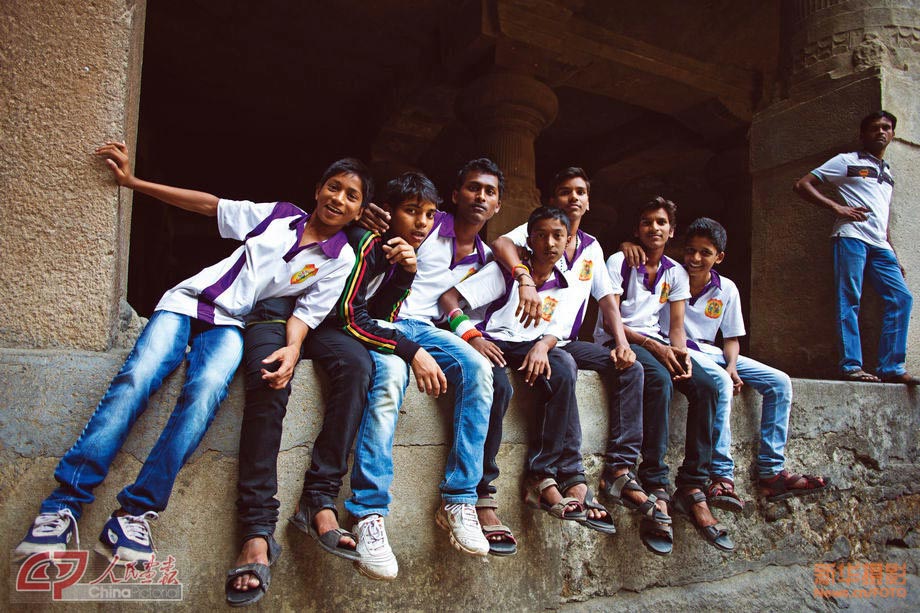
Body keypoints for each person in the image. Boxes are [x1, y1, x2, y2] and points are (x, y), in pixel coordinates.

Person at [14, 144, 364, 594]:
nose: (339, 198)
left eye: (351, 195)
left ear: (357, 211)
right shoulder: (280, 215)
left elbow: (304, 316)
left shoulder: (341, 260)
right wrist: (134, 184)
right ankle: (62, 507)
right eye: (333, 187)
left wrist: (293, 350)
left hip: (232, 327)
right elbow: (208, 205)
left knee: (205, 394)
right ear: (317, 190)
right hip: (187, 305)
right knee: (137, 378)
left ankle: (135, 514)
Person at [229, 172, 442, 602]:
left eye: (430, 216)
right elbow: (348, 317)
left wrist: (406, 272)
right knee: (276, 381)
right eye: (411, 212)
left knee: (357, 367)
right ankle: (258, 527)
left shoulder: (392, 250)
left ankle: (318, 499)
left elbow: (378, 310)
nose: (421, 224)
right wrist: (410, 350)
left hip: (325, 324)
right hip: (294, 317)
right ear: (384, 212)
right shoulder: (362, 241)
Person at [344, 158, 503, 580]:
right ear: (456, 195)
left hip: (422, 326)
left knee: (479, 370)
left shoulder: (486, 257)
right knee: (390, 381)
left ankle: (460, 499)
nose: (422, 221)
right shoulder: (428, 222)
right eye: (473, 189)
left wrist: (519, 275)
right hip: (386, 323)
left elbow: (512, 246)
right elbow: (379, 217)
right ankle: (368, 513)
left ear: (498, 205)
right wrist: (364, 210)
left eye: (490, 193)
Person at [483, 168, 655, 556]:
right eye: (564, 192)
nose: (573, 198)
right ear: (552, 200)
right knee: (564, 368)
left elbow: (608, 302)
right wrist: (524, 276)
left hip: (566, 338)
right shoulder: (537, 237)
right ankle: (570, 475)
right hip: (530, 337)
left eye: (580, 192)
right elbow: (499, 243)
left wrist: (623, 343)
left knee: (631, 367)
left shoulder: (592, 248)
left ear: (588, 201)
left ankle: (620, 468)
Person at [662, 217, 829, 511]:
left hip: (711, 351)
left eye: (705, 252)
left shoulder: (726, 288)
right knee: (722, 384)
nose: (696, 258)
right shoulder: (670, 276)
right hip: (678, 348)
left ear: (720, 257)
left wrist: (732, 365)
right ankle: (721, 476)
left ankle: (771, 471)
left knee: (780, 381)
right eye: (690, 251)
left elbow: (731, 338)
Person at [596, 197, 730, 553]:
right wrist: (657, 350)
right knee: (656, 378)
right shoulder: (620, 260)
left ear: (671, 231)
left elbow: (675, 327)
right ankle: (655, 482)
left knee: (704, 385)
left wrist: (681, 356)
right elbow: (612, 318)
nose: (653, 228)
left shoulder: (676, 272)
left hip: (657, 342)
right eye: (646, 222)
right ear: (636, 230)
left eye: (660, 222)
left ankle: (692, 485)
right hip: (619, 338)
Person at [794, 110, 917, 385]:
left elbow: (882, 217)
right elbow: (802, 184)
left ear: (893, 134)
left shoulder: (888, 174)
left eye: (886, 128)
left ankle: (891, 367)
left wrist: (893, 253)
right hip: (850, 237)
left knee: (901, 298)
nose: (881, 132)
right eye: (874, 128)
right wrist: (838, 207)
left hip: (879, 244)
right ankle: (851, 365)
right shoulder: (846, 161)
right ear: (863, 135)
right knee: (849, 299)